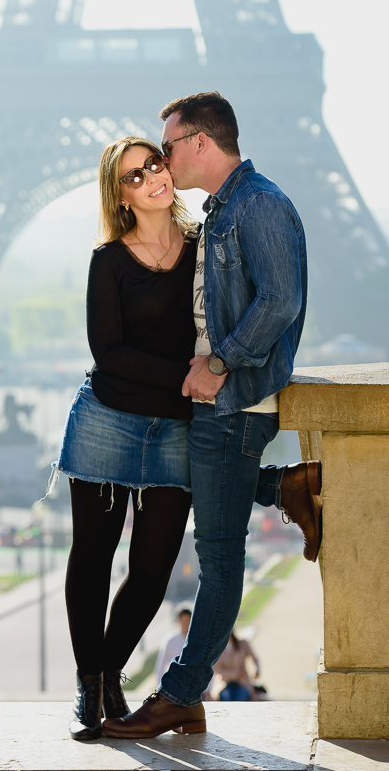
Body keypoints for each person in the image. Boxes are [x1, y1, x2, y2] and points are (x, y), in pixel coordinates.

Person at [103, 92, 322, 739]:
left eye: (168, 147)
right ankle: (283, 486)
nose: (162, 160)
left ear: (201, 141)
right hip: (217, 399)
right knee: (199, 486)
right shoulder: (223, 209)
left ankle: (181, 693)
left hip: (235, 400)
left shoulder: (258, 205)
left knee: (219, 557)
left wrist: (221, 363)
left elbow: (279, 301)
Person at [53, 136, 199, 741]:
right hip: (108, 421)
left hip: (175, 430)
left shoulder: (203, 249)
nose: (151, 178)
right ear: (120, 196)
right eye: (134, 175)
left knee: (153, 569)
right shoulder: (108, 261)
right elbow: (108, 353)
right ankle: (91, 684)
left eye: (155, 164)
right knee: (92, 557)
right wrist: (187, 378)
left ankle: (109, 669)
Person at [209, 630, 261, 701]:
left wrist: (257, 670)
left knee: (241, 697)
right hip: (224, 683)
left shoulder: (242, 644)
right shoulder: (217, 647)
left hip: (242, 682)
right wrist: (235, 673)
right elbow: (217, 670)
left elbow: (255, 658)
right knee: (226, 698)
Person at [154, 606, 192, 684]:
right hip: (175, 683)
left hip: (193, 684)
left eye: (188, 621)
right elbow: (160, 666)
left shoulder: (197, 640)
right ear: (178, 621)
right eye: (184, 621)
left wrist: (208, 688)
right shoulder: (170, 640)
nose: (186, 624)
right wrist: (159, 686)